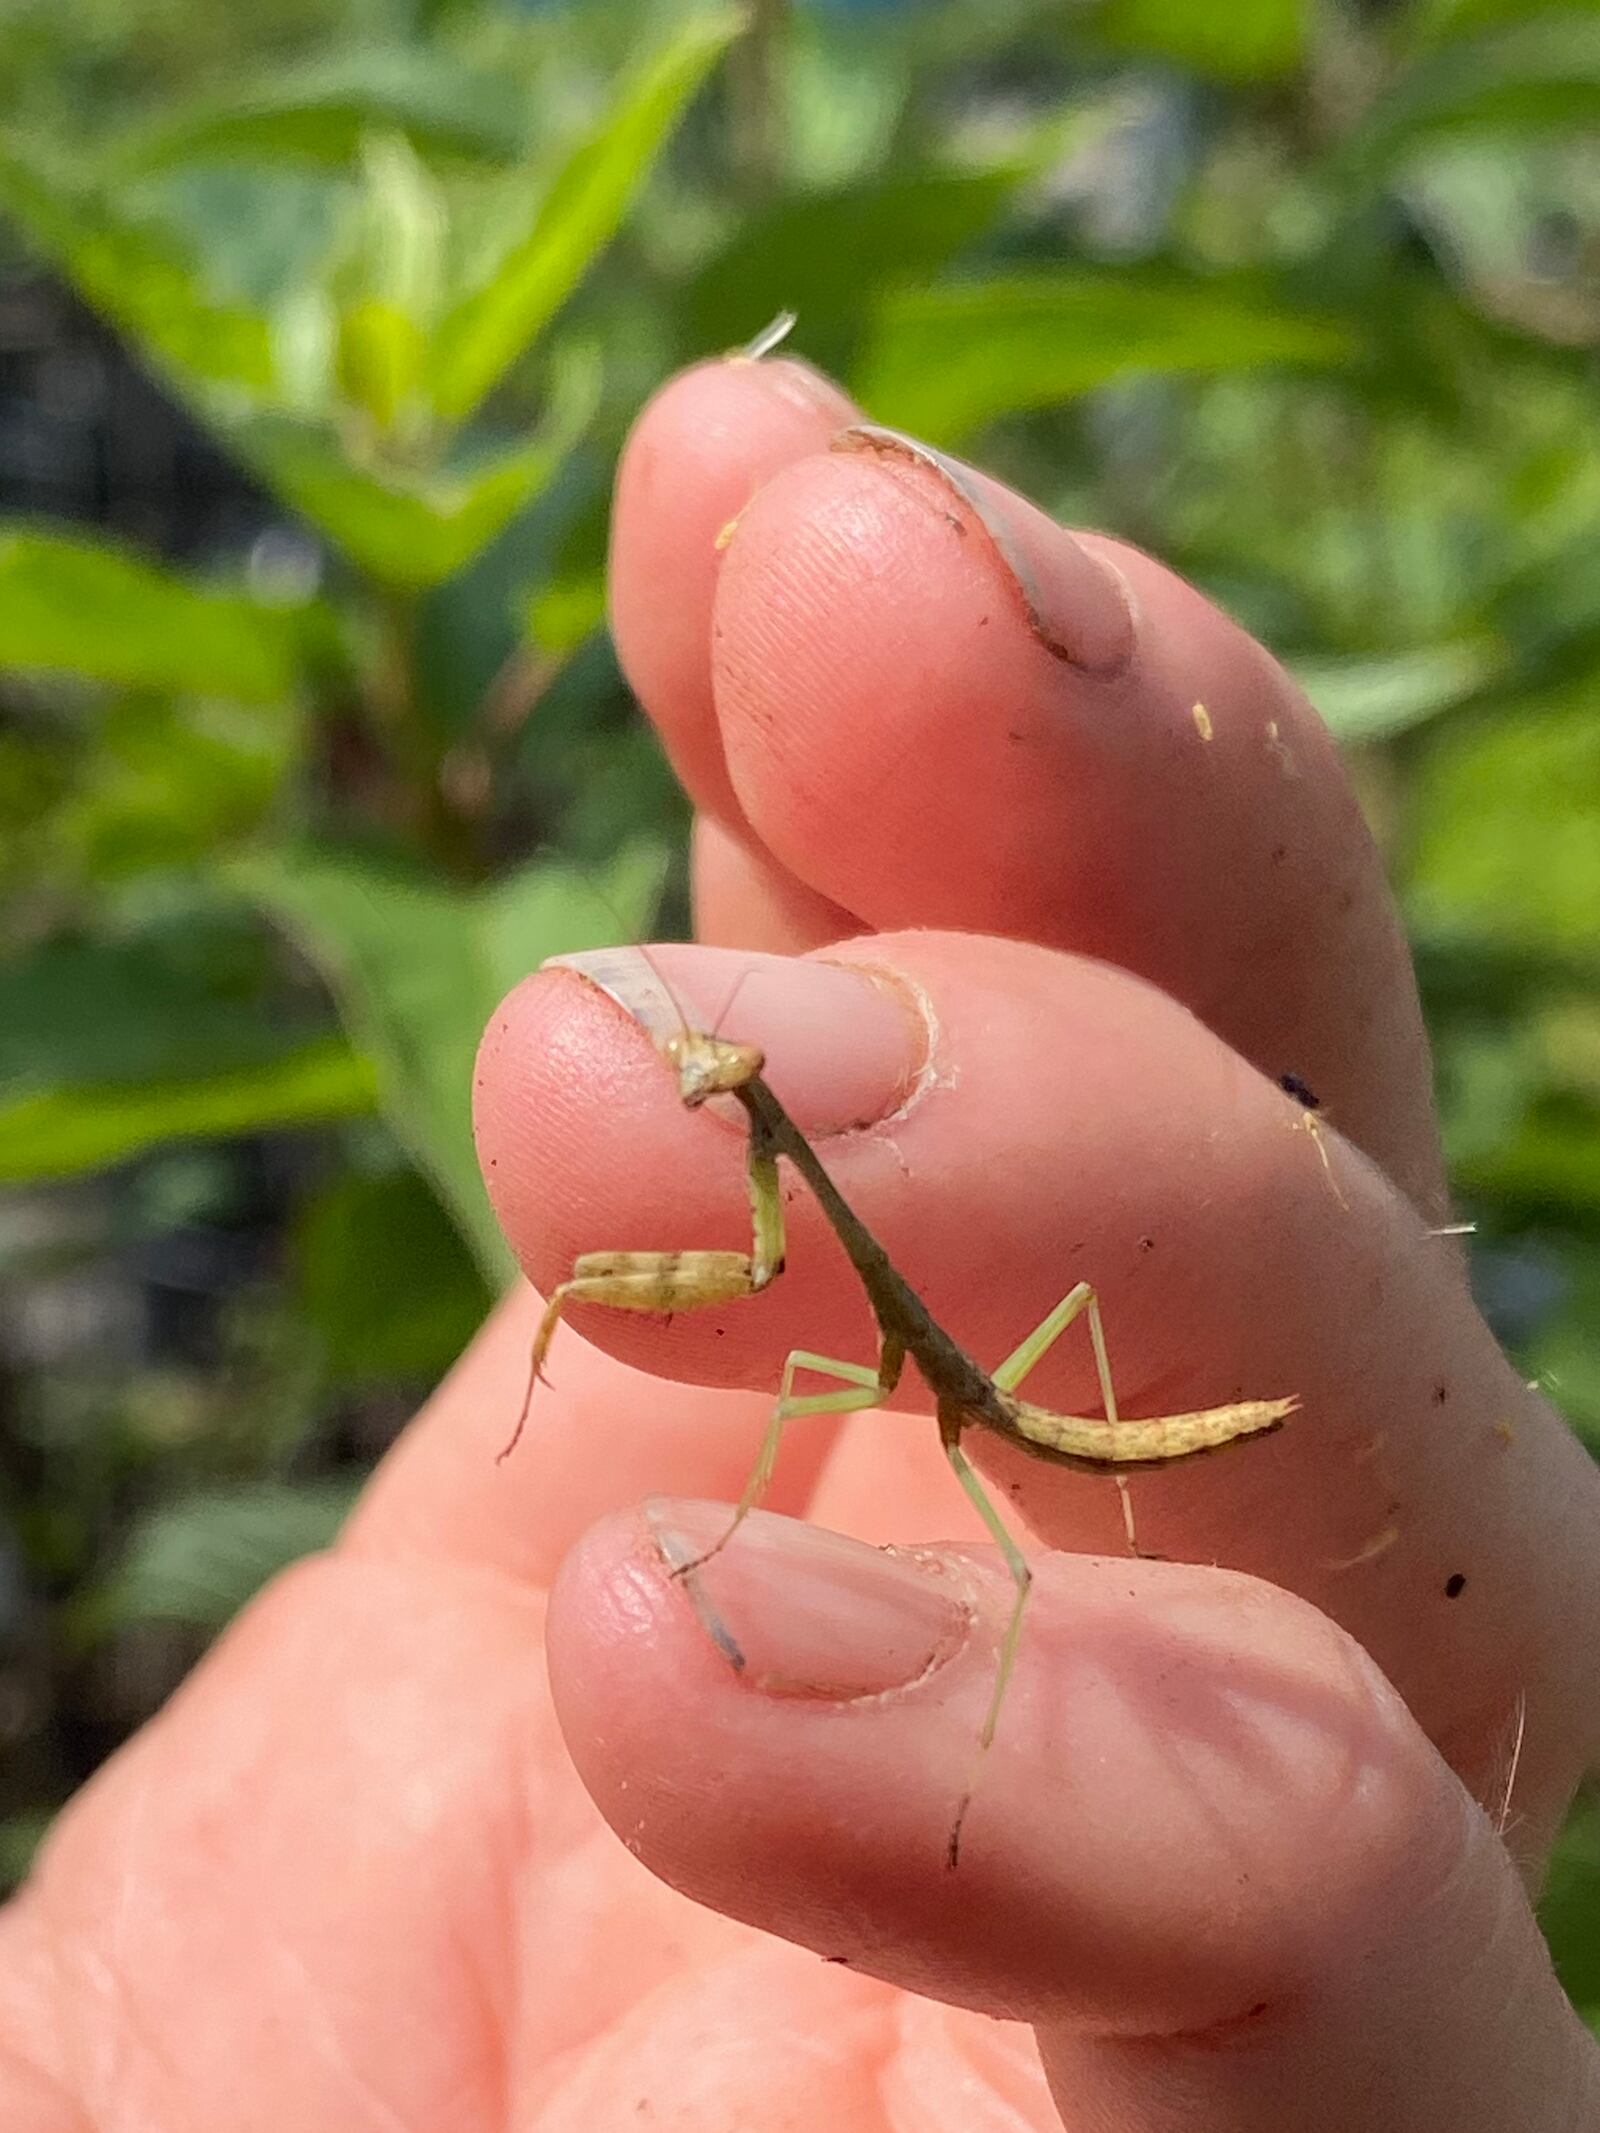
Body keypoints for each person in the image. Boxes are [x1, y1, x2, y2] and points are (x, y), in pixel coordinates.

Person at [1, 347, 1596, 2132]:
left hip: (1084, 1416)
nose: (702, 1076)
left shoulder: (831, 1233)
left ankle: (1008, 1721)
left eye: (720, 1072)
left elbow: (803, 1294)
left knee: (1058, 1379)